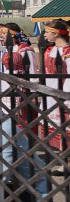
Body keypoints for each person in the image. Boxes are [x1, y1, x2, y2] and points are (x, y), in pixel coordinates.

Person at [0, 22, 47, 196]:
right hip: (8, 88)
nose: (3, 35)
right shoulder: (8, 50)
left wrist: (33, 92)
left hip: (22, 89)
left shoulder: (26, 50)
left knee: (22, 125)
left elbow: (32, 71)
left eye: (5, 32)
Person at [42, 19, 70, 150]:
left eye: (47, 32)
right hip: (49, 91)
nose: (45, 35)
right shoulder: (49, 50)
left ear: (57, 33)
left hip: (62, 91)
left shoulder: (67, 51)